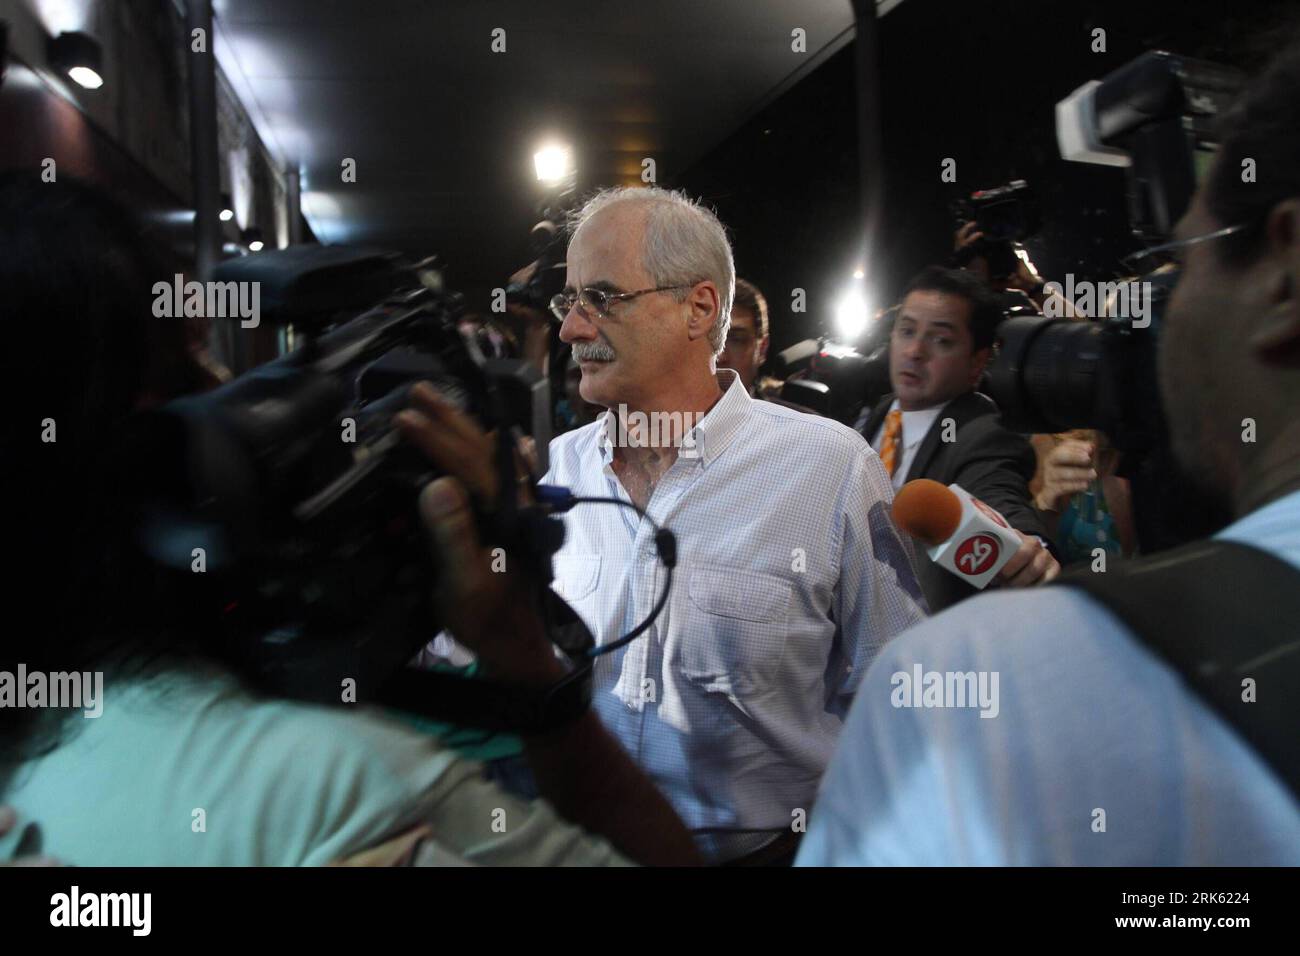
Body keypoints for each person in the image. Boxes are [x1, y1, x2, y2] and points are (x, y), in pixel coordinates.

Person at [0, 173, 699, 867]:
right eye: (196, 356)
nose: (224, 390)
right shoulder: (335, 791)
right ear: (144, 432)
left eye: (602, 299)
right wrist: (519, 648)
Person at [798, 32, 1300, 865]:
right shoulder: (868, 422)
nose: (1152, 320)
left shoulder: (990, 698)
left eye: (1176, 265)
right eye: (907, 333)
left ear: (1285, 278)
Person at [544, 185, 928, 863]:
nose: (572, 329)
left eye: (602, 298)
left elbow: (904, 699)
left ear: (698, 308)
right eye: (568, 301)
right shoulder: (557, 475)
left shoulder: (828, 469)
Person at [857, 266, 1059, 610]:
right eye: (906, 331)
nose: (915, 351)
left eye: (941, 340)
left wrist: (1026, 550)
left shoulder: (984, 435)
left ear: (977, 362)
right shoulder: (879, 412)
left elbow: (998, 497)